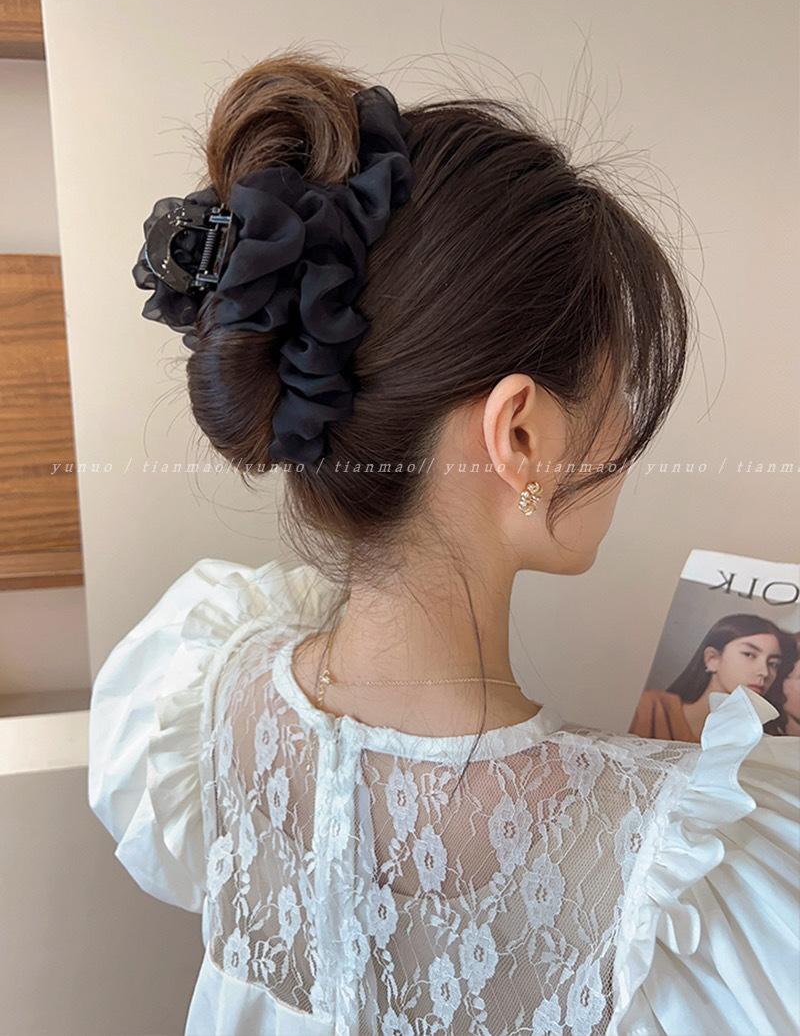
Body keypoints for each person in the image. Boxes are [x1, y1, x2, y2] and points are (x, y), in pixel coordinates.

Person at [88, 51, 800, 1036]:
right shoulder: (701, 883)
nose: (628, 435)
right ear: (520, 434)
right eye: (620, 389)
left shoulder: (197, 691)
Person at [628, 613, 788, 742]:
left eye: (773, 664)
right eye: (749, 654)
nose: (764, 672)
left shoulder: (761, 739)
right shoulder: (649, 708)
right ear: (713, 659)